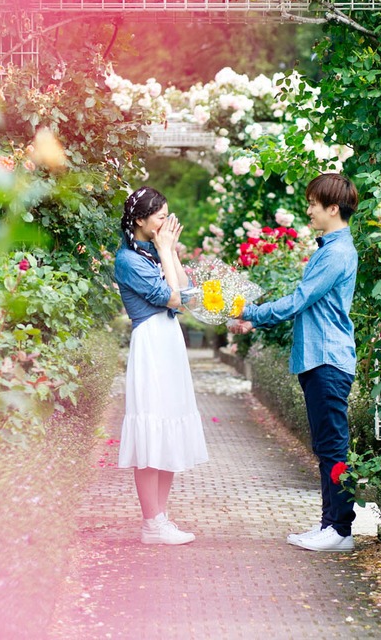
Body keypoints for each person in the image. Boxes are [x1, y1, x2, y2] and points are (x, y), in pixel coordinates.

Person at [229, 173, 359, 553]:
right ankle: (329, 527)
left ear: (333, 208)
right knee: (325, 447)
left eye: (313, 205)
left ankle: (340, 530)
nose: (308, 211)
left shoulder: (336, 253)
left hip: (328, 359)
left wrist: (251, 312)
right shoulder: (330, 249)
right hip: (318, 358)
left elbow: (300, 298)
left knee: (334, 447)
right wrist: (254, 317)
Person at [114, 186, 209, 545]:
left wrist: (168, 253)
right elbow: (173, 299)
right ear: (140, 220)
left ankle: (161, 519)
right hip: (151, 342)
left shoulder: (156, 252)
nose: (167, 222)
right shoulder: (128, 260)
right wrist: (167, 253)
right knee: (151, 428)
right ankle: (150, 522)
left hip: (169, 341)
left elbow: (186, 291)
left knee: (169, 427)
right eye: (160, 215)